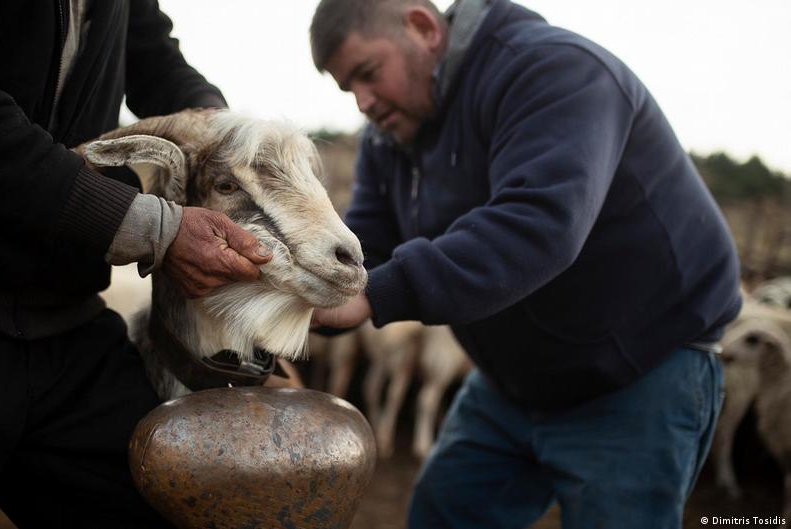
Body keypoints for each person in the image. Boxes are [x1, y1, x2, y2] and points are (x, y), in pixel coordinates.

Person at [309, 0, 742, 527]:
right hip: (509, 382)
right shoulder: (390, 136)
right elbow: (365, 248)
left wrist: (376, 294)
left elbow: (539, 224)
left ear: (421, 27)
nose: (363, 103)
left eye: (368, 74)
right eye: (347, 89)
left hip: (638, 373)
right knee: (444, 515)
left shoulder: (554, 71)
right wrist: (306, 292)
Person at [0, 1, 270, 527]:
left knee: (166, 505)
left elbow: (150, 51)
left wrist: (228, 140)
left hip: (63, 317)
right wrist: (152, 229)